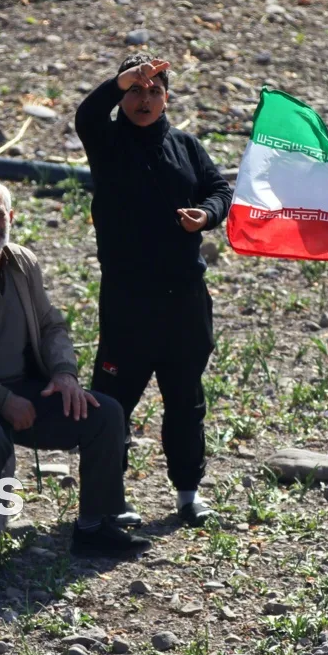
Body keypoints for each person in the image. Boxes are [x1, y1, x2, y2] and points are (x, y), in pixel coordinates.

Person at [0, 179, 150, 577]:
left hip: (20, 389)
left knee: (104, 414)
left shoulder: (23, 262)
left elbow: (51, 325)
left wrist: (65, 373)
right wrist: (2, 400)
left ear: (12, 217)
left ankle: (94, 527)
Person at [74, 54, 233, 528]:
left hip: (184, 300)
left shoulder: (185, 145)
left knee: (185, 399)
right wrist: (116, 81)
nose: (144, 100)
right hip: (128, 302)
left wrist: (206, 215)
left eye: (154, 91)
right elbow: (86, 114)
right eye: (135, 91)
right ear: (122, 96)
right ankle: (108, 499)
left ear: (167, 98)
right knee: (113, 403)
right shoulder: (106, 141)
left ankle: (188, 495)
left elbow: (220, 190)